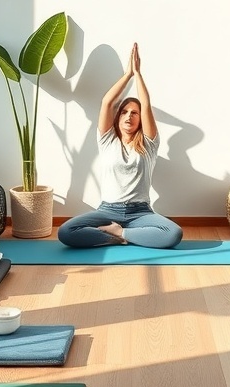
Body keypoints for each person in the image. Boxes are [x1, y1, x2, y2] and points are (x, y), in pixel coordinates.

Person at [58, 44, 183, 249]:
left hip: (141, 213)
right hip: (107, 211)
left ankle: (120, 233)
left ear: (141, 119)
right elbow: (107, 102)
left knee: (173, 233)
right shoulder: (107, 140)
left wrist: (138, 74)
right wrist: (127, 75)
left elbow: (146, 104)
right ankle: (119, 237)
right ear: (117, 117)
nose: (128, 116)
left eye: (134, 113)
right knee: (65, 232)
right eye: (124, 112)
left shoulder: (149, 144)